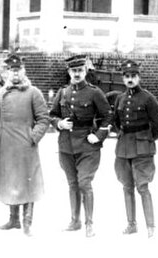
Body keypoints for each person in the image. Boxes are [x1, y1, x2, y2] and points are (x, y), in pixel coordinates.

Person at [0, 54, 50, 236]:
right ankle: (13, 220)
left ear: (23, 71)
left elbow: (44, 118)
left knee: (28, 182)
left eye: (18, 70)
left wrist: (33, 137)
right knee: (10, 180)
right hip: (5, 146)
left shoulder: (33, 93)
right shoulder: (0, 93)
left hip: (26, 147)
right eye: (11, 70)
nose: (15, 74)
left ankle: (27, 222)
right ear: (7, 73)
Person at [49, 54, 112, 237]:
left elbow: (108, 116)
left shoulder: (94, 92)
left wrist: (99, 135)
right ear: (69, 72)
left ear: (85, 71)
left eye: (80, 70)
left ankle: (89, 223)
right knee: (72, 184)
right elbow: (52, 115)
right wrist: (59, 124)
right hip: (66, 146)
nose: (77, 74)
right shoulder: (63, 92)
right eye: (73, 71)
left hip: (87, 145)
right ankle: (75, 221)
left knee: (84, 183)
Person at [113, 59, 158, 238]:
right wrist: (121, 132)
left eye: (133, 76)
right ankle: (131, 224)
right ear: (123, 79)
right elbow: (115, 121)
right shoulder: (120, 98)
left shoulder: (148, 98)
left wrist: (148, 139)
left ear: (138, 77)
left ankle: (150, 227)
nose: (130, 79)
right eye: (126, 76)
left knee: (142, 187)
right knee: (127, 187)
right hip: (123, 147)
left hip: (143, 147)